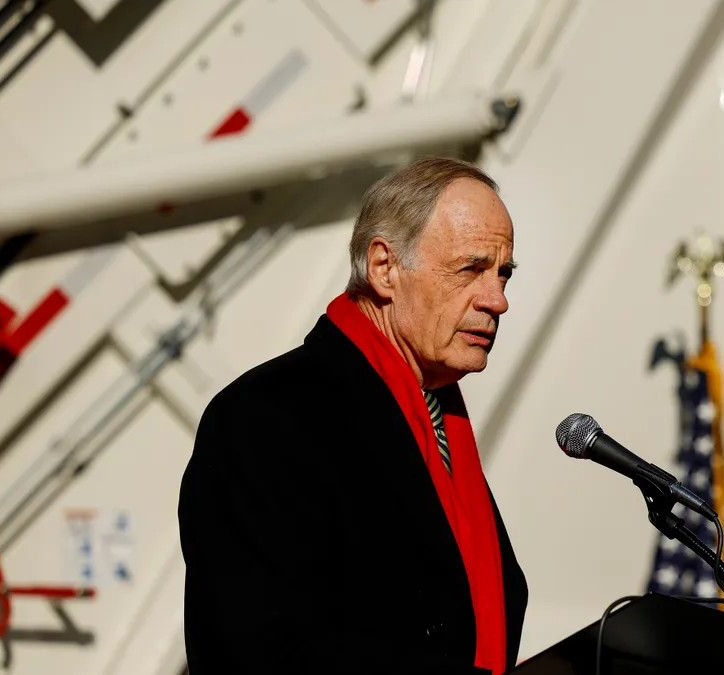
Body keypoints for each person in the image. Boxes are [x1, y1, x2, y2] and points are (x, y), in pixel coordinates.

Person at [177, 156, 528, 674]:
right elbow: (254, 651)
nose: (497, 300)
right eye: (471, 269)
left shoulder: (439, 423)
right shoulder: (265, 419)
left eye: (503, 274)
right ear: (384, 268)